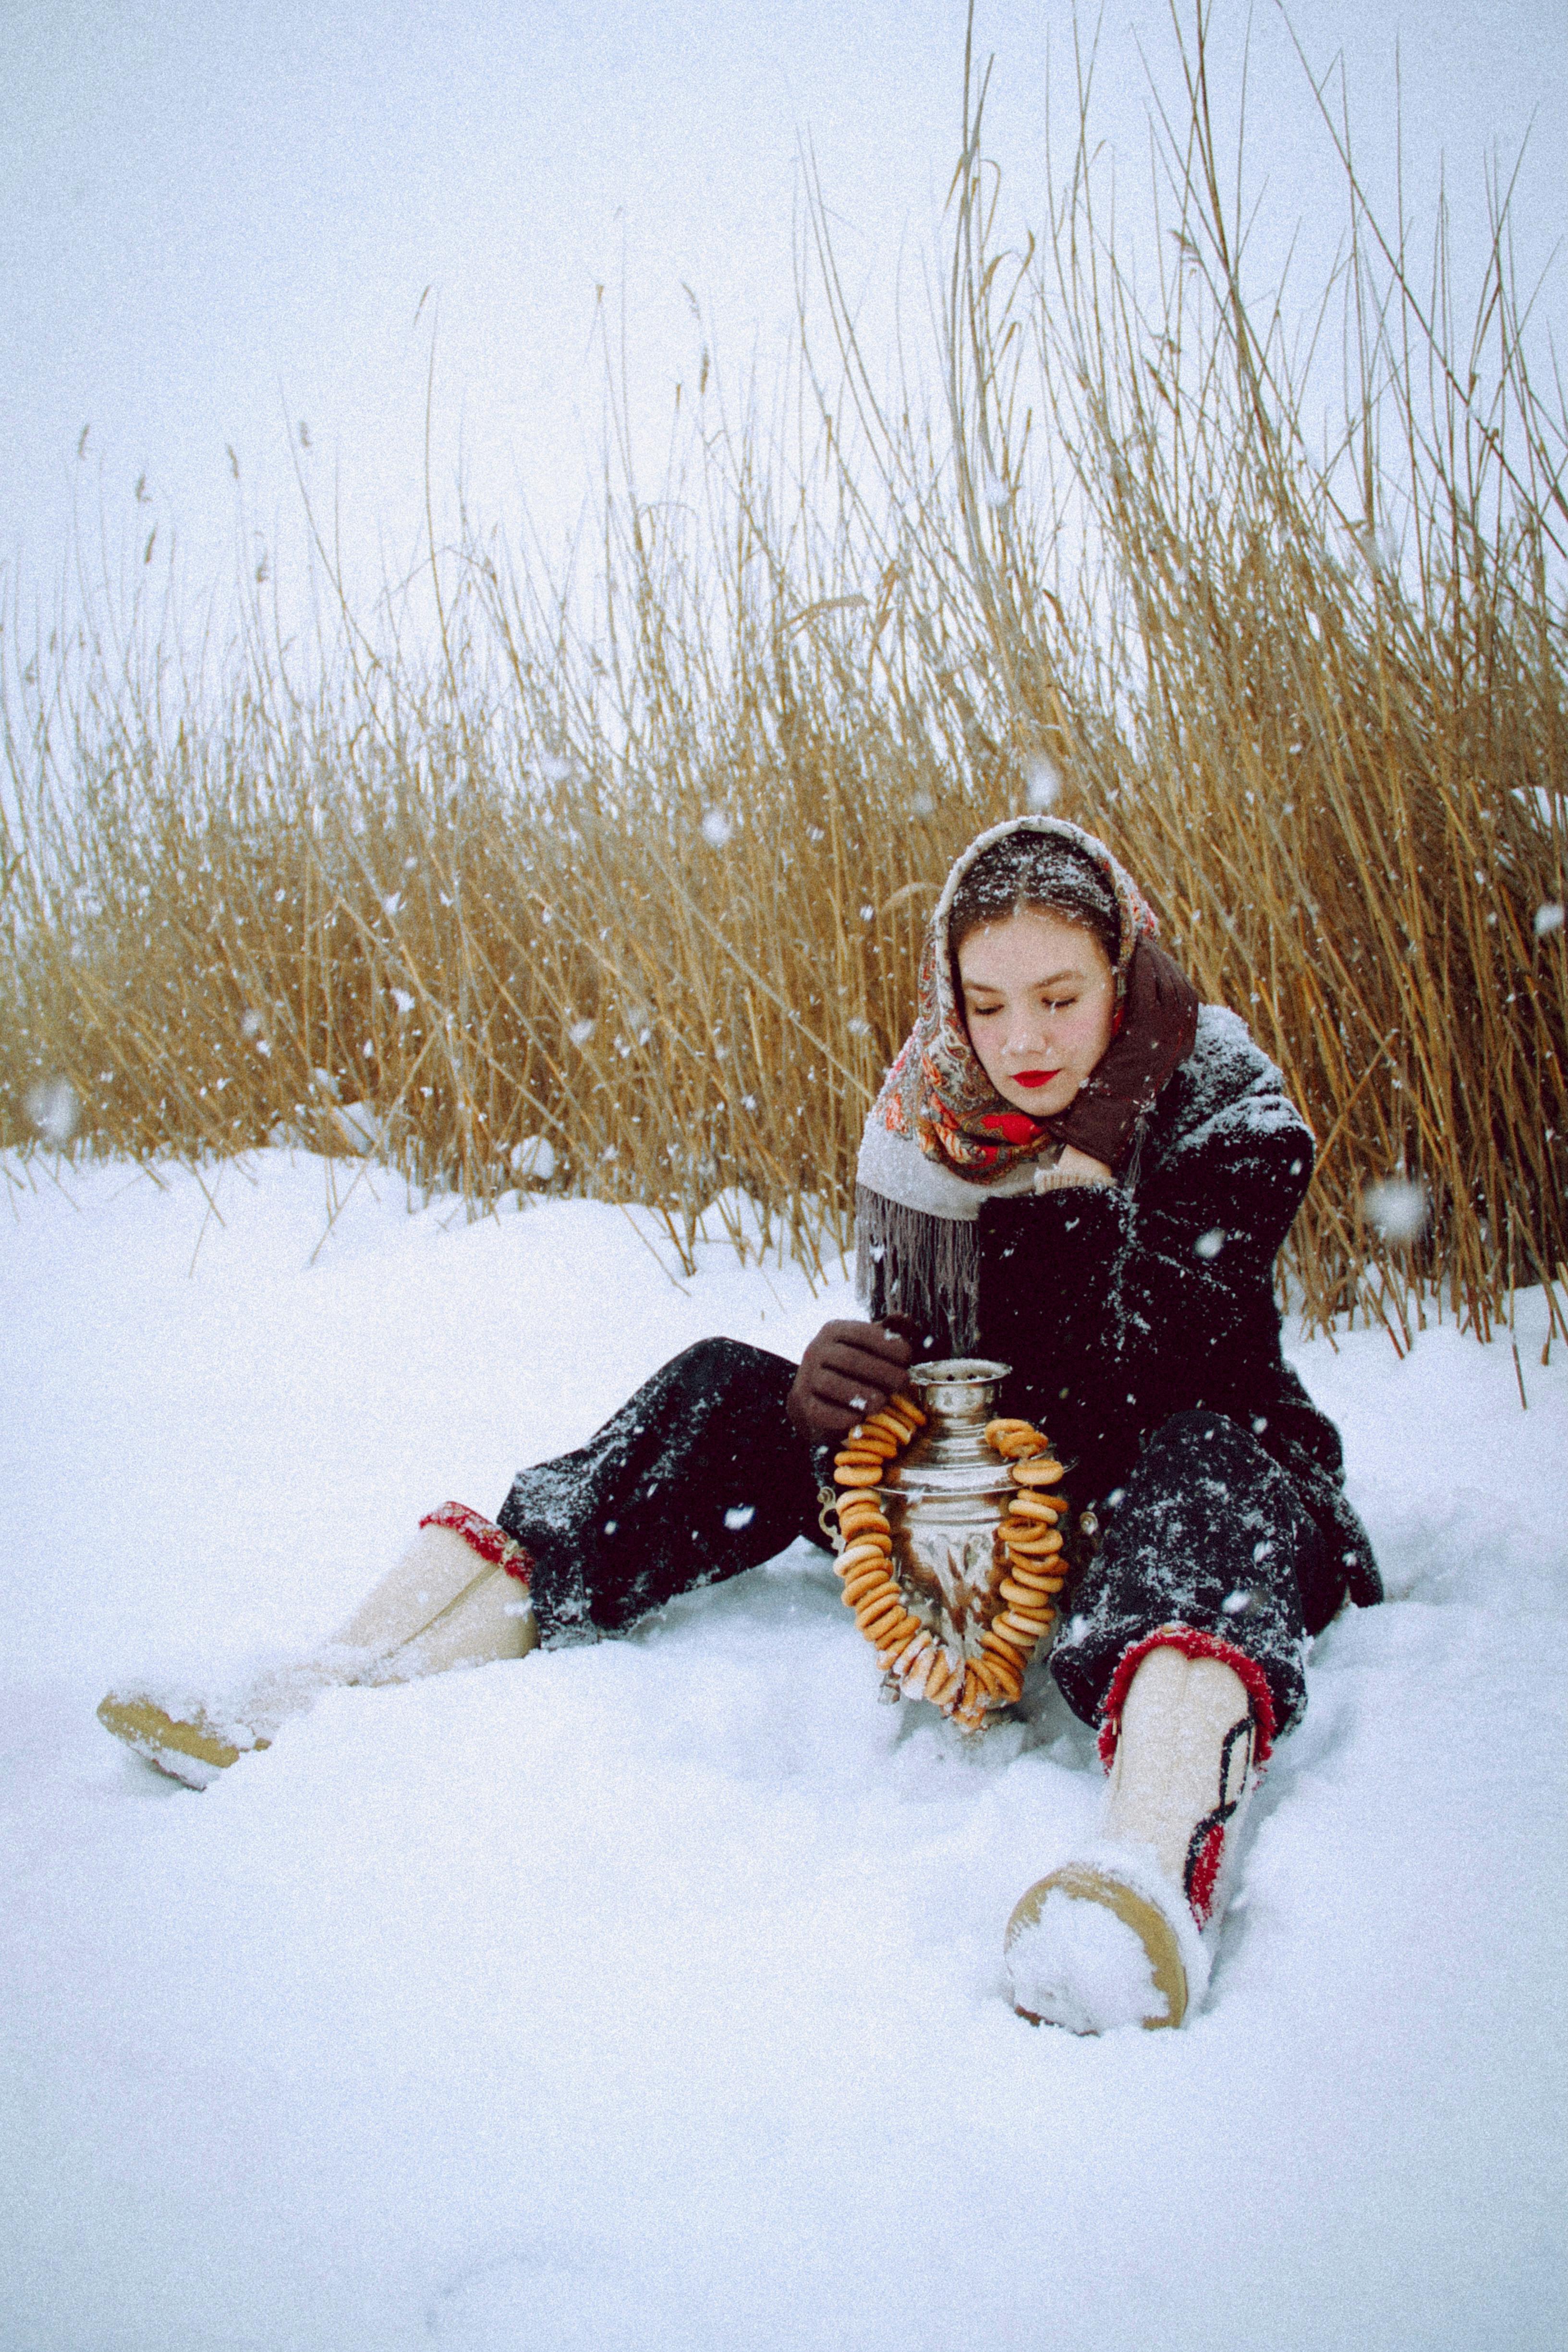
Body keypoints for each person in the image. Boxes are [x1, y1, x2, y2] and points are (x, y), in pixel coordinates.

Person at [98, 813, 1380, 2033]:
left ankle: (1143, 1876)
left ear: (1124, 966)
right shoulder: (934, 1113)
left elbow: (1154, 1366)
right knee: (727, 1381)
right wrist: (830, 1397)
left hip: (1200, 1506)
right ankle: (345, 1674)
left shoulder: (1226, 1107)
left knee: (1204, 1460)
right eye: (985, 1005)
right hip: (983, 1497)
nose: (1021, 1041)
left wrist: (1084, 1162)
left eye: (1059, 997)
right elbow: (949, 1370)